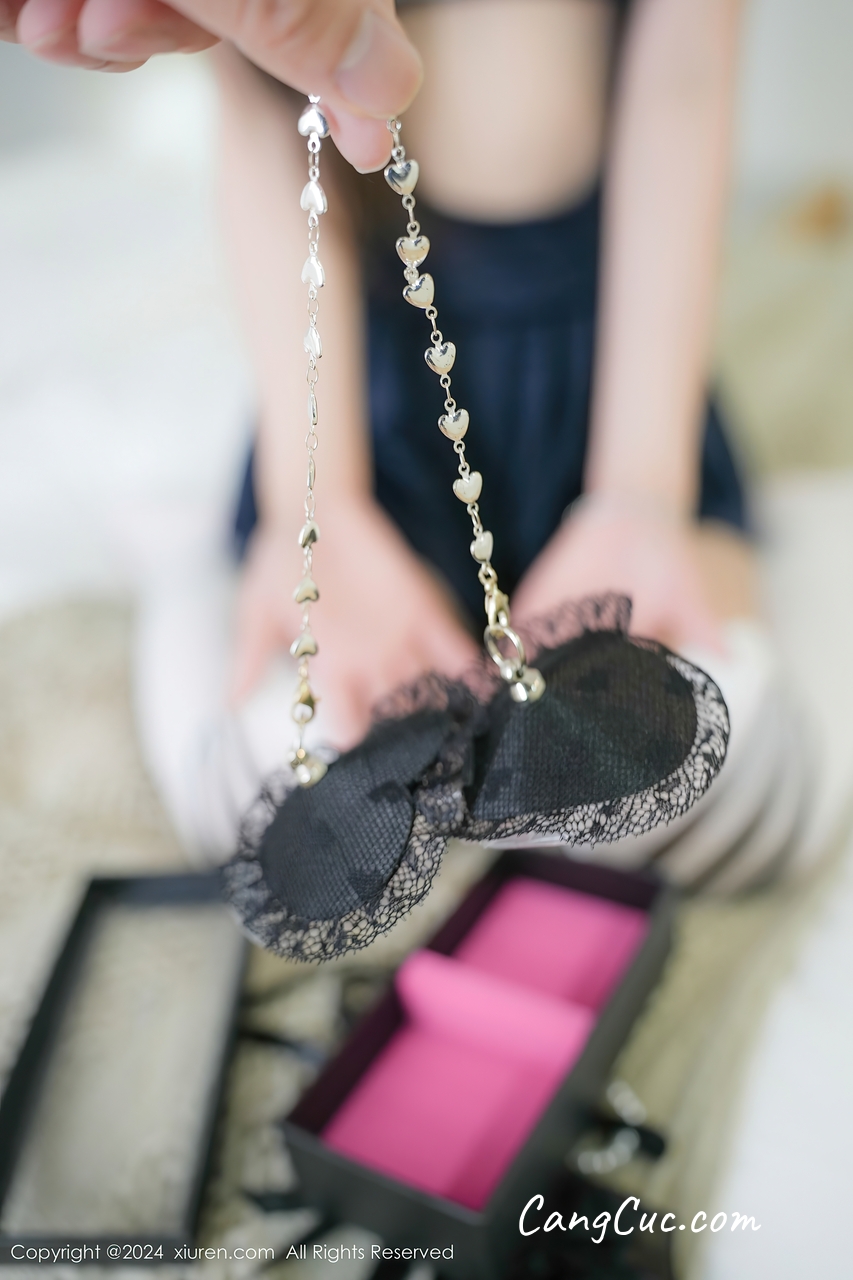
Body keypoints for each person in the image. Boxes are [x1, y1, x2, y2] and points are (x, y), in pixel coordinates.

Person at [8, 1, 802, 890]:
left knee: (713, 786)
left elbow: (684, 82)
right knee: (273, 804)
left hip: (613, 386)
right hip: (360, 405)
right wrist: (320, 511)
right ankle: (192, 563)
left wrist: (639, 496)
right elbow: (261, 124)